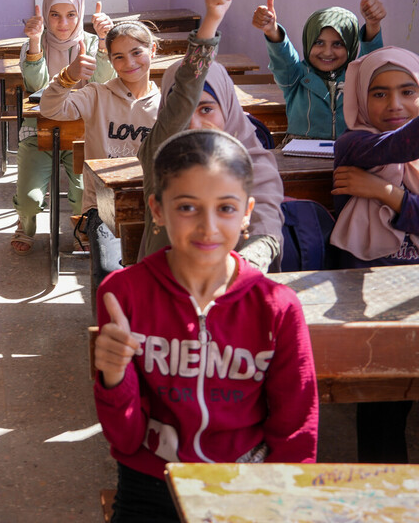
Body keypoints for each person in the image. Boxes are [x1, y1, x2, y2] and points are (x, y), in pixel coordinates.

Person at [94, 129, 318, 522]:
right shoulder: (123, 294)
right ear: (158, 210)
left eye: (226, 208)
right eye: (187, 207)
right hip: (150, 482)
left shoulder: (277, 307)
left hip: (244, 481)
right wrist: (114, 378)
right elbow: (125, 439)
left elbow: (296, 429)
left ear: (248, 212)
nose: (208, 227)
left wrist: (284, 498)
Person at [138, 0, 284, 274]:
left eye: (206, 110)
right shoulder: (161, 150)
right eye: (184, 111)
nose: (194, 124)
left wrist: (245, 268)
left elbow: (266, 224)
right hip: (166, 295)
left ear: (229, 109)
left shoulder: (252, 159)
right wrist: (210, 23)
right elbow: (183, 99)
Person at [329, 46, 419, 463]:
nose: (395, 104)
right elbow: (392, 148)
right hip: (373, 304)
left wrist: (386, 193)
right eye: (379, 93)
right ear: (361, 98)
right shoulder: (354, 143)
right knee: (384, 408)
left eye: (408, 90)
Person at [39, 18, 160, 296]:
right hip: (103, 208)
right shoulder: (97, 94)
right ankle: (110, 332)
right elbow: (51, 109)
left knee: (159, 271)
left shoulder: (166, 103)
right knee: (109, 273)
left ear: (152, 51)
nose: (129, 62)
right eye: (118, 56)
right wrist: (67, 77)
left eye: (137, 52)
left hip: (154, 205)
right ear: (110, 60)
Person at [10, 0, 116, 253]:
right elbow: (37, 88)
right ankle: (25, 221)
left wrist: (104, 42)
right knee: (29, 200)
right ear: (44, 15)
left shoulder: (92, 43)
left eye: (71, 14)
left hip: (82, 132)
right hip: (39, 129)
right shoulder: (34, 44)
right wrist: (35, 42)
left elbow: (101, 84)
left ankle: (82, 230)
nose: (63, 23)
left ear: (81, 15)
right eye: (54, 15)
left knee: (84, 195)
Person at [250, 0, 386, 139]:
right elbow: (283, 59)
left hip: (348, 153)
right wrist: (272, 31)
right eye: (319, 42)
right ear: (308, 42)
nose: (327, 52)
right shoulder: (296, 76)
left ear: (351, 46)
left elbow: (371, 59)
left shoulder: (358, 76)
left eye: (338, 44)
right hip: (300, 157)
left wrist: (373, 25)